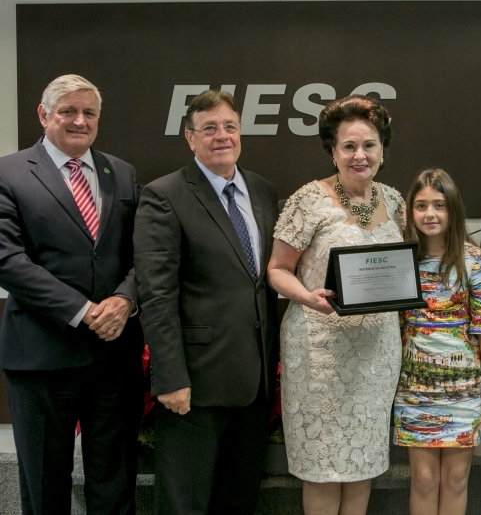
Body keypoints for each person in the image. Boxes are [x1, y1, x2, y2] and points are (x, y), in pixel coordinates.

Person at [0, 74, 142, 514]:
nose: (79, 121)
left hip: (113, 357)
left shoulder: (121, 172)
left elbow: (147, 253)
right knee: (45, 488)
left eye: (89, 113)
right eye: (68, 111)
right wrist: (81, 310)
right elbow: (7, 259)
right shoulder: (8, 172)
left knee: (114, 483)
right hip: (42, 356)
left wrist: (125, 299)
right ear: (44, 115)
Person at [133, 90, 280, 514]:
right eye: (209, 128)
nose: (222, 136)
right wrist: (170, 378)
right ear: (189, 137)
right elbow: (156, 295)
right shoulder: (165, 195)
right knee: (185, 505)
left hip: (254, 386)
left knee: (238, 502)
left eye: (230, 126)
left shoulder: (263, 191)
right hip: (194, 386)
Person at [267, 95, 404, 515]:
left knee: (363, 465)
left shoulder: (395, 201)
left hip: (377, 354)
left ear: (382, 149)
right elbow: (277, 269)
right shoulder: (308, 199)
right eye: (349, 146)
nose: (359, 155)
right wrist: (306, 296)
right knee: (324, 469)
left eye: (369, 145)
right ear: (333, 150)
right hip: (319, 353)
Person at [392, 168, 481, 515]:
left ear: (452, 209)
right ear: (411, 212)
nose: (430, 214)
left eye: (439, 205)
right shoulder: (400, 259)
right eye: (421, 205)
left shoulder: (476, 260)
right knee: (422, 479)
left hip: (466, 387)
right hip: (413, 386)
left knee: (456, 479)